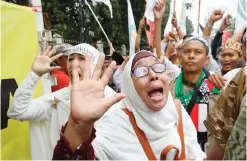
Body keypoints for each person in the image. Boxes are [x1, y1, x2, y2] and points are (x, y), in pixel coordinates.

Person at [52, 50, 206, 160]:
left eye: (157, 67)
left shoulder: (177, 111)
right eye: (141, 71)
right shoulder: (114, 125)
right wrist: (78, 128)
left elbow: (197, 154)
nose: (153, 75)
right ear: (129, 85)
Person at [7, 44, 116, 160]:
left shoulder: (112, 101)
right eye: (71, 58)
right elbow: (17, 111)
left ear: (94, 64)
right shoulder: (58, 100)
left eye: (82, 58)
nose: (74, 64)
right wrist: (34, 75)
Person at [169, 35, 221, 152]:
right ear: (180, 56)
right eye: (187, 51)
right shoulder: (168, 88)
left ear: (206, 59)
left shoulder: (217, 88)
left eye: (198, 52)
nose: (191, 56)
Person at [204, 27, 246, 160]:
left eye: (231, 55)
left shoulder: (239, 76)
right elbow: (220, 133)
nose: (226, 59)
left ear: (240, 56)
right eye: (223, 55)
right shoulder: (214, 78)